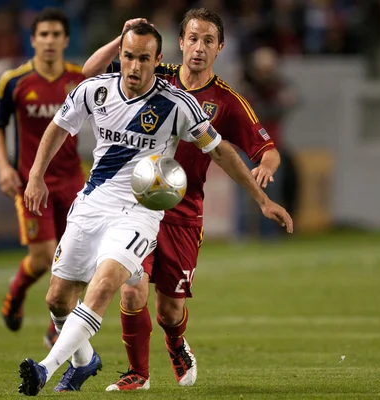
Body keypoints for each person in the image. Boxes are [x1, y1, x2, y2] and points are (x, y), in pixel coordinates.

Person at [18, 21, 292, 396]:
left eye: (207, 41)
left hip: (158, 208)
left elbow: (232, 151)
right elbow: (77, 92)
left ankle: (50, 368)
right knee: (67, 298)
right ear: (180, 44)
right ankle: (107, 367)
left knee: (147, 302)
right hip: (96, 203)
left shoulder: (197, 103)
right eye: (192, 39)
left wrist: (263, 195)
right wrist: (36, 176)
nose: (134, 66)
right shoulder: (109, 84)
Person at [0, 8, 85, 347]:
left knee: (79, 258)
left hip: (74, 181)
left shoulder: (80, 78)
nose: (49, 41)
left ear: (66, 40)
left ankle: (56, 323)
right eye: (43, 34)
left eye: (56, 35)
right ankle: (16, 293)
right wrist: (3, 167)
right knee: (45, 258)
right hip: (33, 183)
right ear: (33, 40)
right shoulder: (14, 81)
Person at [240, 46, 299, 239]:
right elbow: (258, 112)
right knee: (243, 190)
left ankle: (269, 233)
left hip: (272, 147)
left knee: (272, 191)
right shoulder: (248, 87)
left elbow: (288, 103)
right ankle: (242, 233)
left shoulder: (278, 86)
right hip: (248, 146)